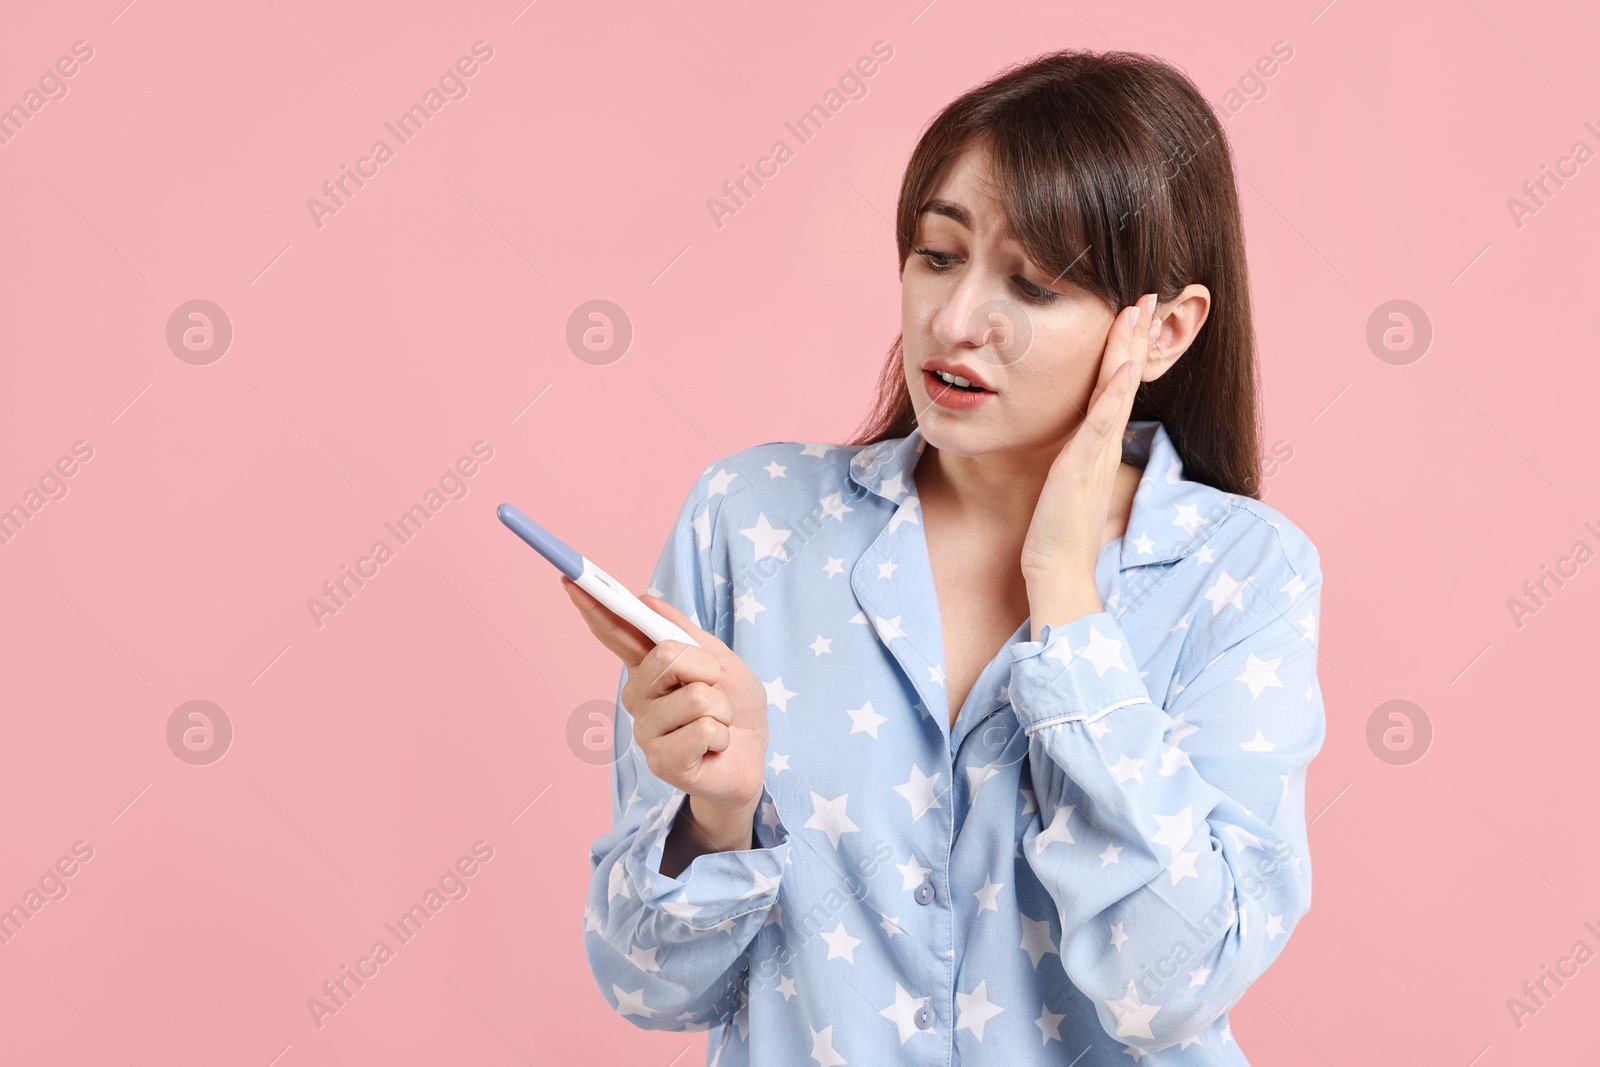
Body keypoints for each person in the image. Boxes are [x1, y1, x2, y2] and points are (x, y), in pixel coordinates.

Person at [566, 47, 1325, 1066]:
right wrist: (719, 810)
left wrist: (1066, 606)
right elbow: (644, 984)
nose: (957, 320)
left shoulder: (1238, 572)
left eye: (1033, 282)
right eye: (936, 253)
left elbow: (1172, 986)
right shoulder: (749, 520)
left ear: (1164, 329)